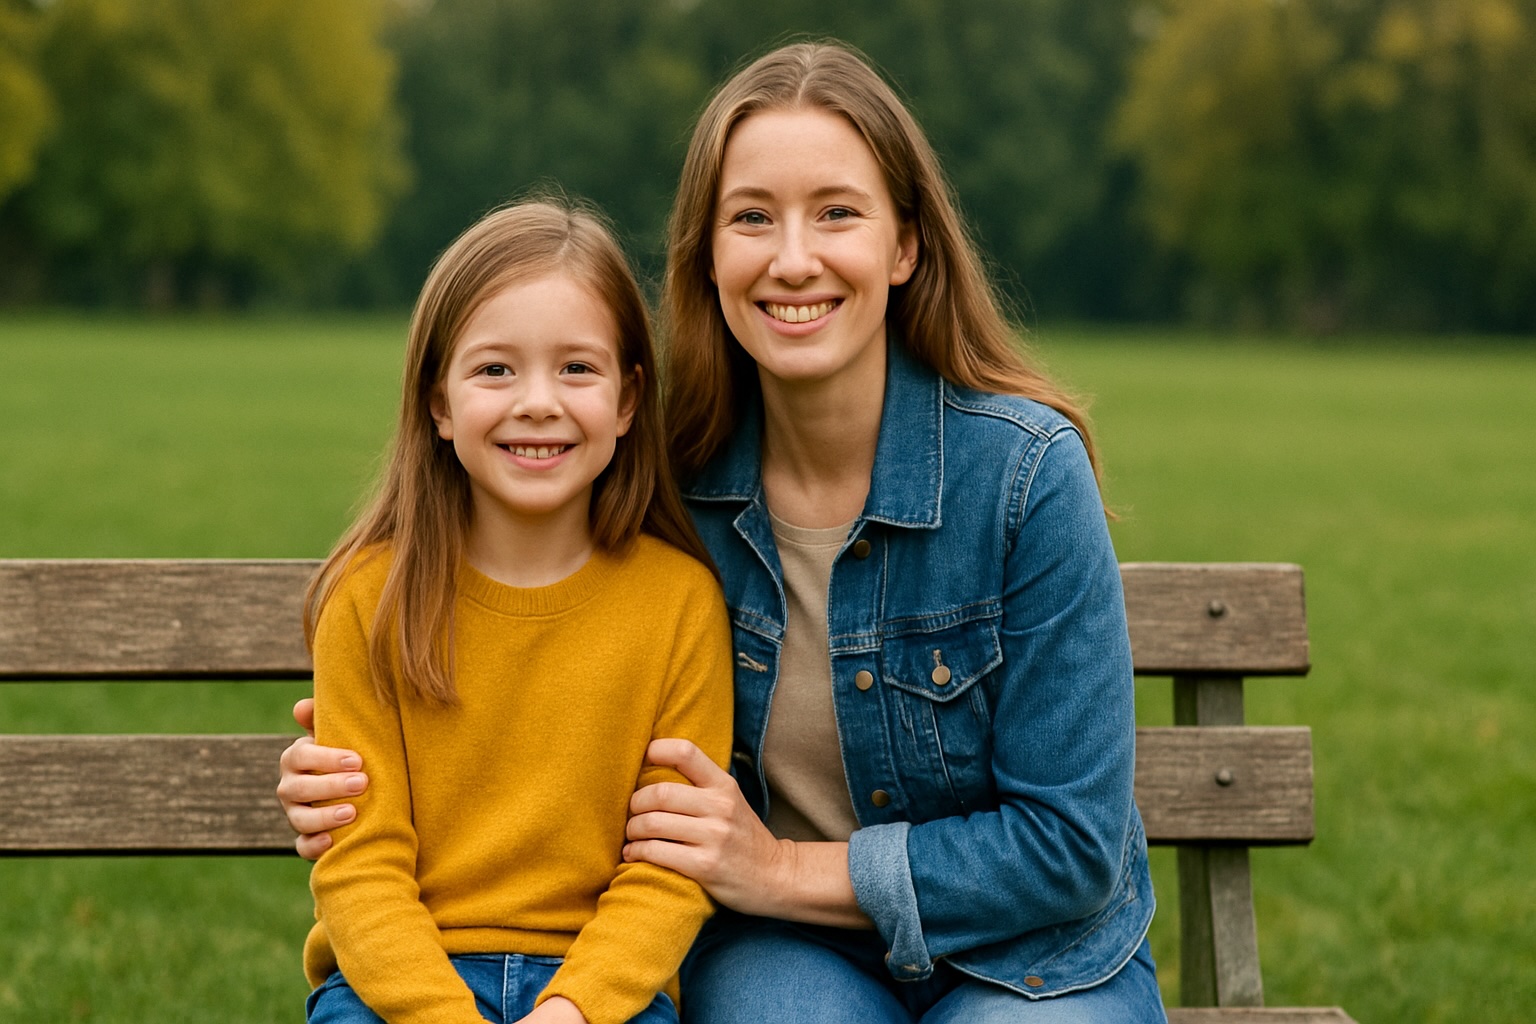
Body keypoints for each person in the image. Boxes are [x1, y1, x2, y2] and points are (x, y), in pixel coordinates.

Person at [281, 42, 1165, 1022]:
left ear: (905, 245)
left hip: (1031, 957)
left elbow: (1072, 847)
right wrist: (360, 773)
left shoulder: (1025, 475)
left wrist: (777, 866)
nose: (793, 258)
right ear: (708, 253)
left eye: (837, 212)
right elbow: (511, 620)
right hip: (788, 951)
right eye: (752, 218)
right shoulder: (660, 481)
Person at [297, 199, 734, 1024]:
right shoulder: (371, 599)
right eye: (495, 370)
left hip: (602, 989)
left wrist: (572, 1009)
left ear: (629, 400)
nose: (538, 402)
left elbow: (667, 868)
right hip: (397, 987)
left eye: (577, 369)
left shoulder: (678, 602)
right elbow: (361, 864)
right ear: (438, 404)